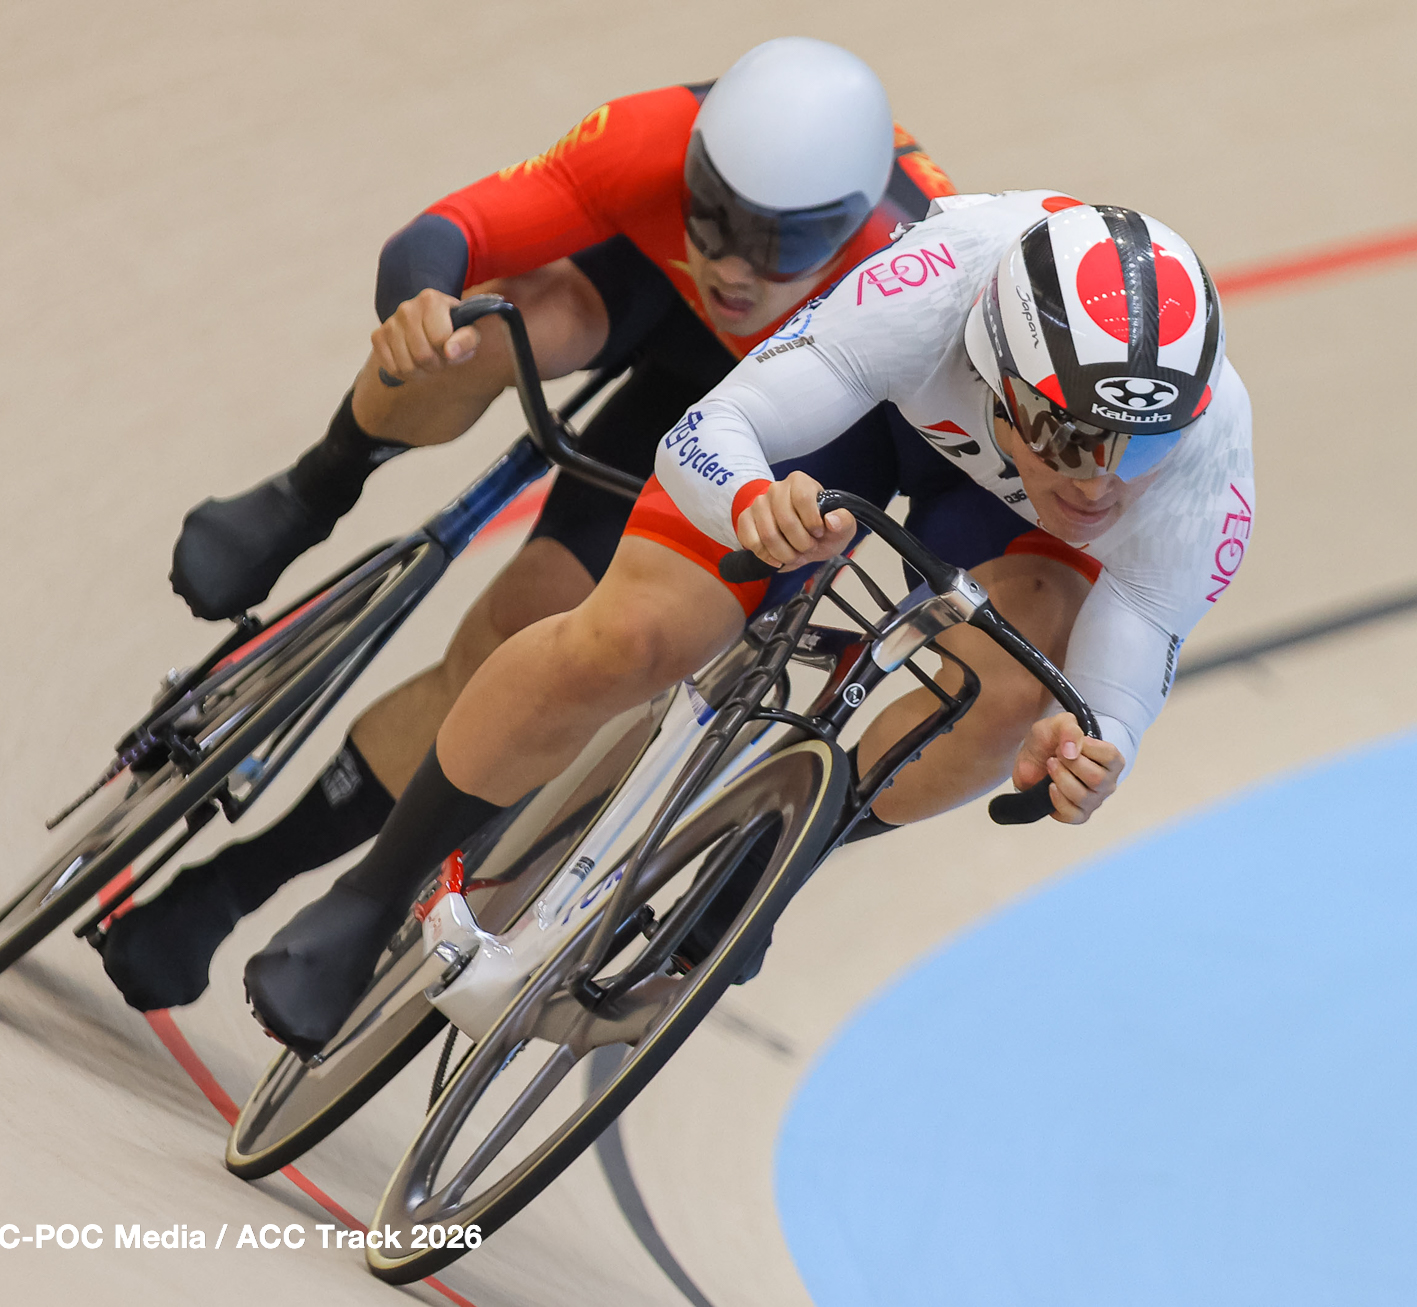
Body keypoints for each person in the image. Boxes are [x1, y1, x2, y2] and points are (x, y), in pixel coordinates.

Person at [240, 196, 1257, 1057]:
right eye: (1071, 434)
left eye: (1140, 445)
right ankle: (369, 896)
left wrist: (1100, 745)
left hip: (1005, 518)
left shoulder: (1205, 448)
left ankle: (776, 854)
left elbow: (1140, 627)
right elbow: (711, 432)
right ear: (998, 370)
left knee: (1014, 694)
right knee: (631, 638)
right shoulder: (932, 288)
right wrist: (747, 506)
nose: (1098, 480)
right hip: (870, 410)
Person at [100, 38, 956, 1011]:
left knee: (551, 635)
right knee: (481, 330)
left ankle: (236, 884)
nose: (730, 260)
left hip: (788, 430)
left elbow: (942, 495)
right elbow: (445, 236)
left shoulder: (912, 281)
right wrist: (418, 312)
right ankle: (315, 487)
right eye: (710, 217)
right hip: (646, 309)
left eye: (777, 243)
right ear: (694, 166)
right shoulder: (652, 139)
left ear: (847, 225)